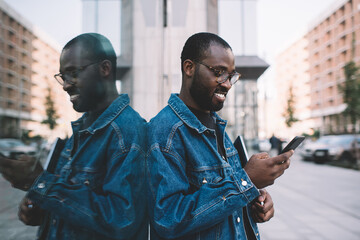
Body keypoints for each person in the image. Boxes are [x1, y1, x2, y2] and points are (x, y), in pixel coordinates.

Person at [146, 32, 293, 239]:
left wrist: (254, 200)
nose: (227, 84)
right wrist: (246, 179)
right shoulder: (166, 131)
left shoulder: (217, 125)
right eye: (219, 72)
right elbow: (168, 219)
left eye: (231, 75)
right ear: (189, 68)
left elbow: (221, 199)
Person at [0, 33, 147, 239]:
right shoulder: (82, 128)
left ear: (105, 68)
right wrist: (43, 210)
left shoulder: (128, 132)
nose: (66, 85)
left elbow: (121, 221)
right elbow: (76, 204)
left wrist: (40, 182)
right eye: (63, 76)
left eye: (73, 73)